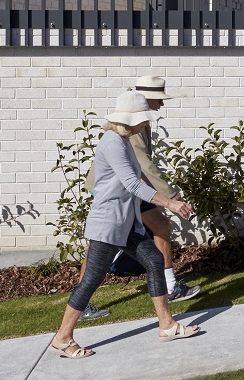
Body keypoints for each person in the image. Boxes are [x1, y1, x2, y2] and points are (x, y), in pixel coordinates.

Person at [50, 91, 204, 359]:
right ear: (129, 119)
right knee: (92, 279)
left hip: (126, 221)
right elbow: (132, 184)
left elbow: (137, 182)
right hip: (109, 224)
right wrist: (171, 204)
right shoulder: (113, 143)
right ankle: (62, 338)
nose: (147, 122)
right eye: (143, 118)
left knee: (154, 261)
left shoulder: (124, 141)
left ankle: (167, 325)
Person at [132, 73, 199, 302]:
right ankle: (80, 303)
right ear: (146, 99)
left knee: (160, 224)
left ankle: (169, 287)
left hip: (133, 187)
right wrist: (171, 195)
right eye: (158, 99)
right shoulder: (132, 123)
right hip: (115, 190)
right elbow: (144, 164)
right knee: (102, 244)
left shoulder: (141, 122)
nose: (161, 104)